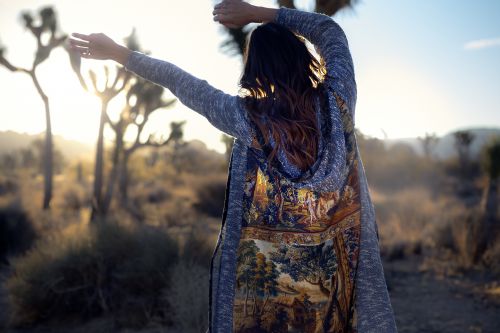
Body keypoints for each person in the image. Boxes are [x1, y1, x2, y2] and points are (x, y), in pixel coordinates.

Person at [69, 1, 397, 332]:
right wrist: (259, 13)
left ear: (255, 68)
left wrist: (119, 53)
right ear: (301, 57)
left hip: (277, 303)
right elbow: (329, 31)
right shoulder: (339, 101)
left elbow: (183, 84)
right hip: (340, 288)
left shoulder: (247, 121)